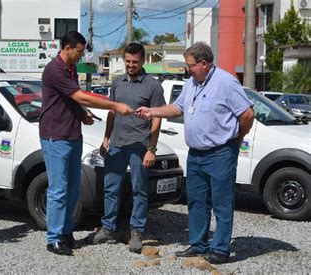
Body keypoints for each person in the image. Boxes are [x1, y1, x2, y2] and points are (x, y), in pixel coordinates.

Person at [136, 42, 254, 264]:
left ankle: (220, 249)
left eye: (190, 65)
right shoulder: (191, 83)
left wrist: (236, 139)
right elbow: (177, 108)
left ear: (204, 63)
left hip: (220, 153)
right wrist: (151, 111)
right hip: (196, 154)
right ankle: (198, 244)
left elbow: (247, 114)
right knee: (197, 201)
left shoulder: (226, 82)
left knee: (221, 202)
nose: (187, 69)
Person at [40, 31, 134, 256]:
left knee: (73, 189)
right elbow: (79, 96)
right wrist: (113, 105)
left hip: (72, 134)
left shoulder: (71, 69)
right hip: (56, 136)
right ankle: (53, 238)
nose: (81, 56)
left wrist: (82, 114)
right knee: (58, 190)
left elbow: (71, 101)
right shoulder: (54, 69)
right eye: (79, 51)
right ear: (67, 47)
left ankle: (65, 232)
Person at [92, 43, 165, 253]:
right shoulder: (117, 82)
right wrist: (106, 138)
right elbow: (112, 112)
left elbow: (157, 118)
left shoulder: (153, 86)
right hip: (116, 144)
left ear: (143, 61)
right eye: (127, 61)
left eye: (134, 62)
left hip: (139, 146)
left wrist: (152, 148)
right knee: (110, 188)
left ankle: (137, 231)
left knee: (139, 190)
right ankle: (108, 228)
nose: (130, 65)